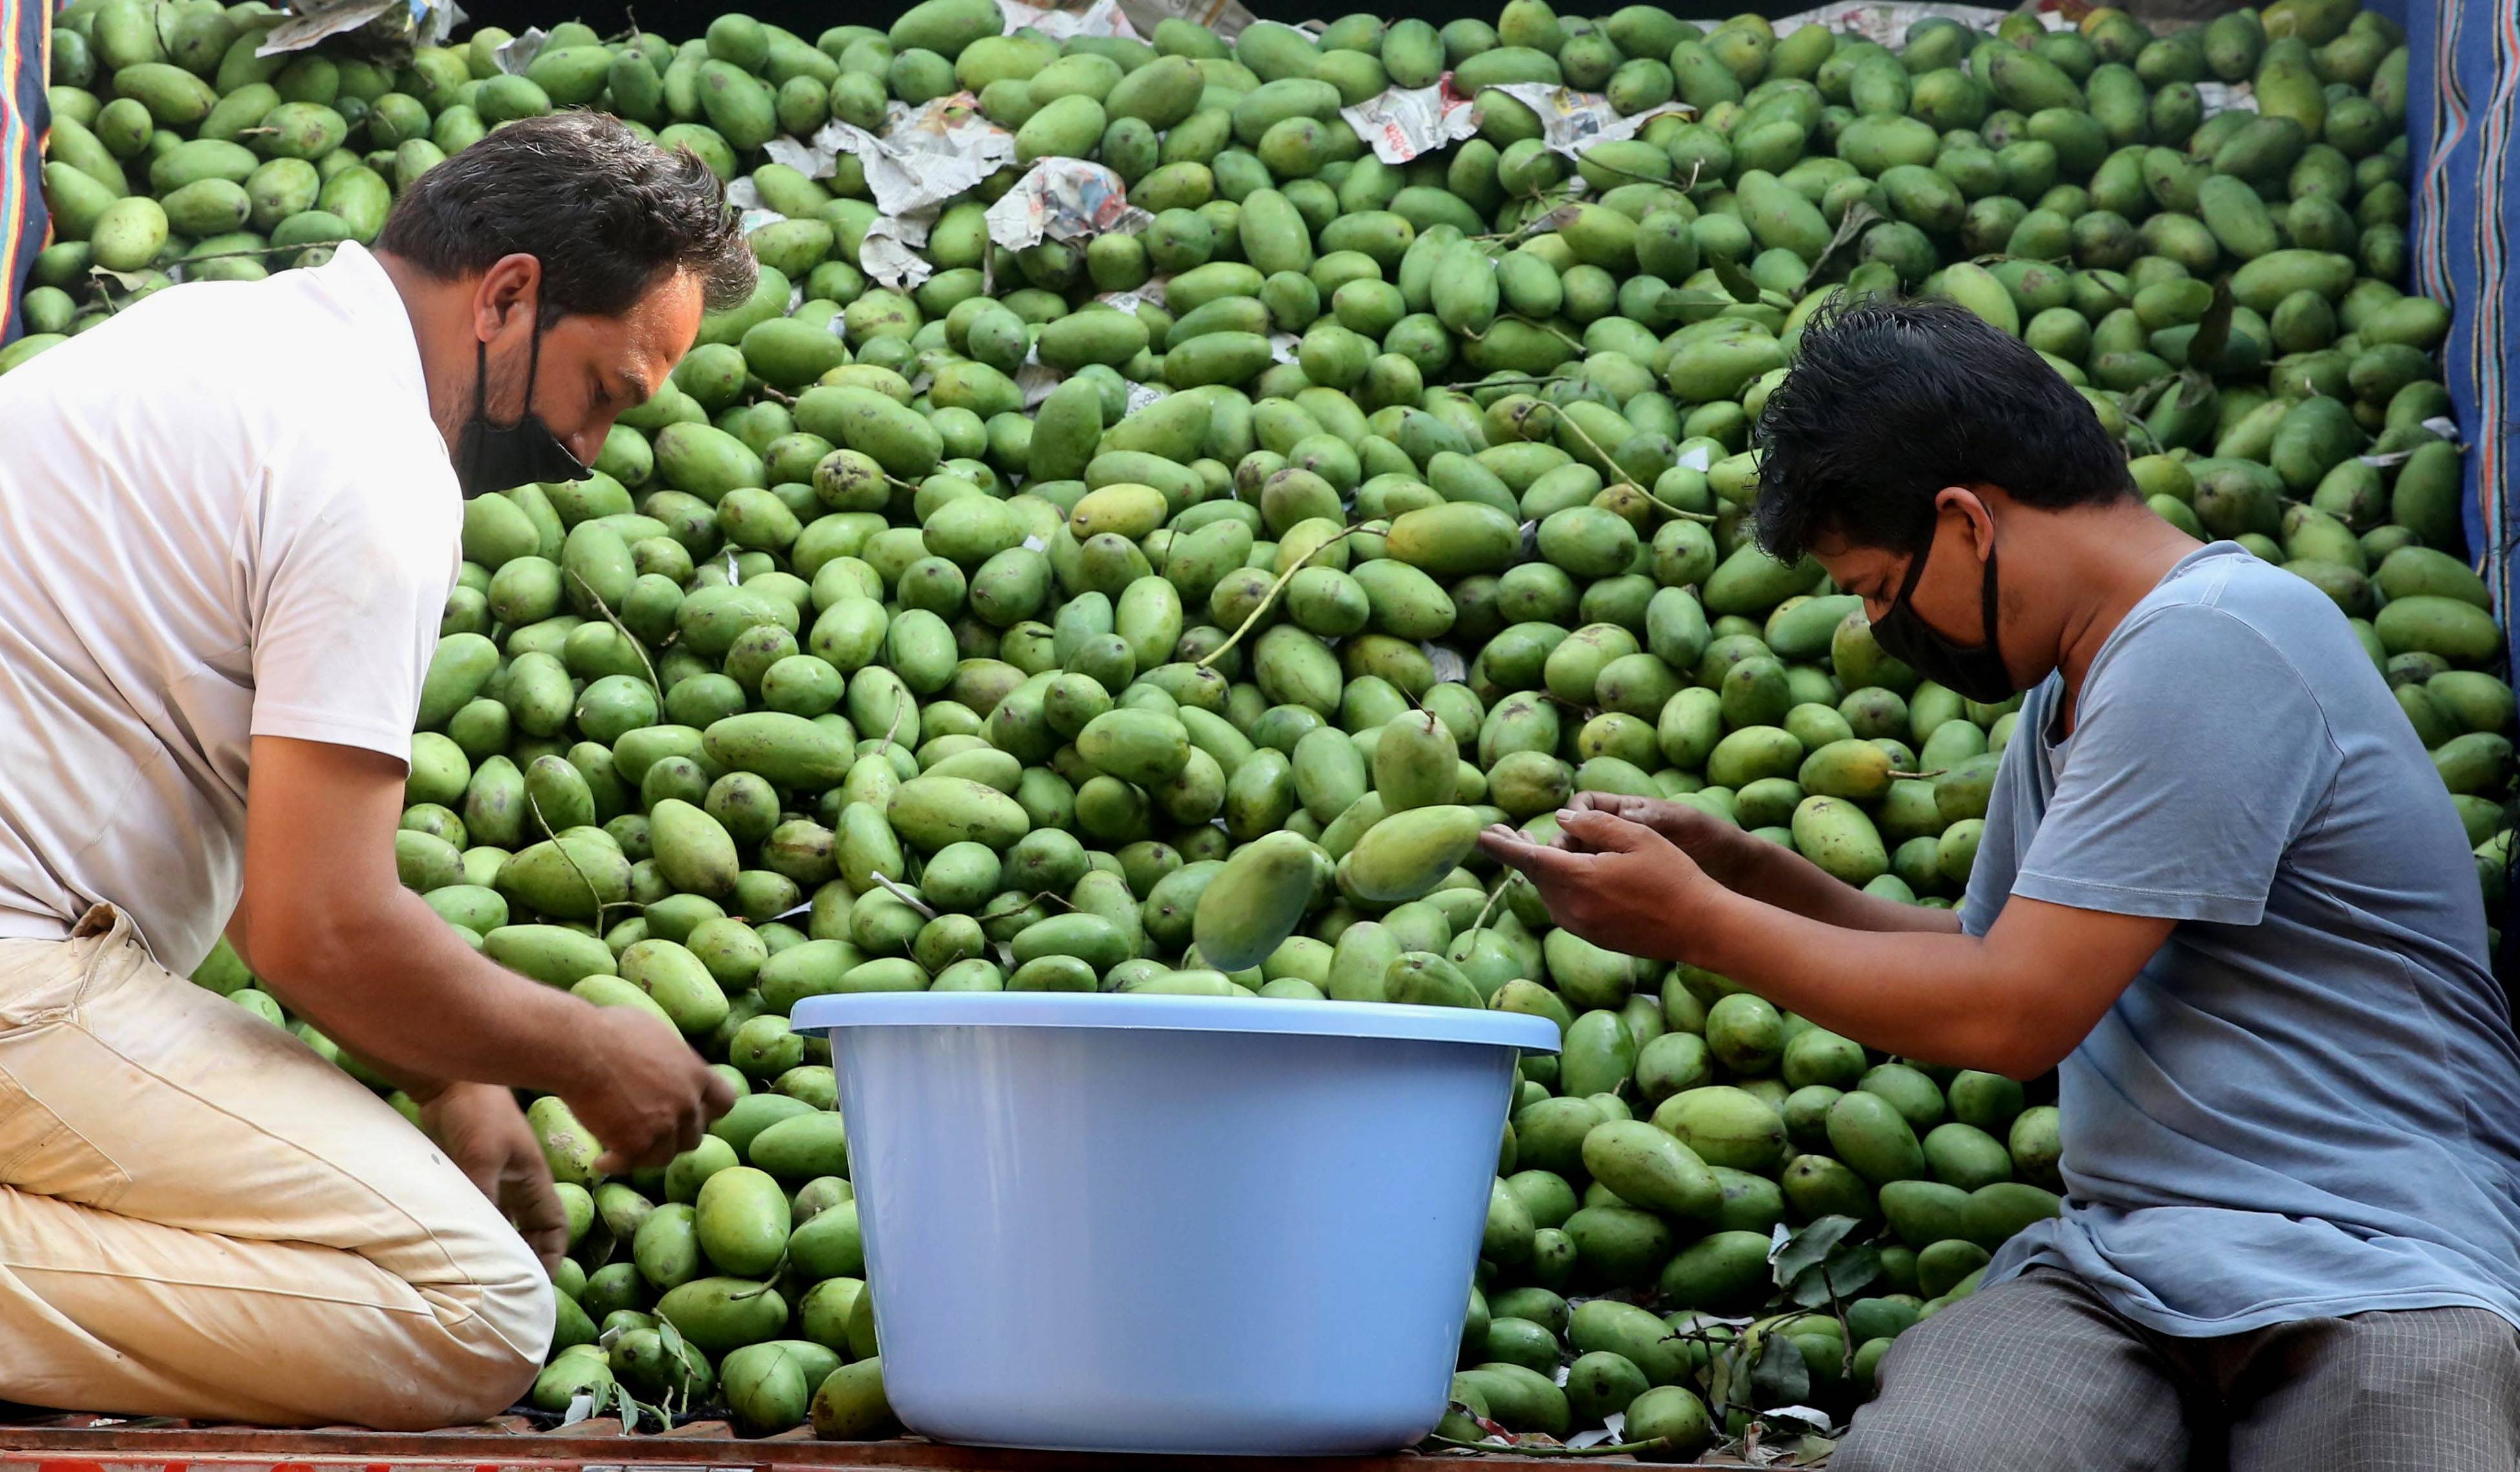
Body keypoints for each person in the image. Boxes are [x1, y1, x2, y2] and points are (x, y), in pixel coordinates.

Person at [1479, 298, 2520, 1471]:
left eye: (1877, 584)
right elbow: (1992, 953)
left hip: (2374, 1261)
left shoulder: (2217, 642)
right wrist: (1751, 871)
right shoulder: (2070, 691)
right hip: (2127, 1269)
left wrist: (1701, 924)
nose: (1877, 627)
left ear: (1966, 522)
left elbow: (2011, 1011)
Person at [0, 113, 750, 1428]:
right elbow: (316, 926)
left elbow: (255, 844)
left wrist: (451, 1072)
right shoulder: (378, 473)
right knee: (474, 1313)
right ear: (508, 296)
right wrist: (583, 1049)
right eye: (602, 394)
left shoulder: (214, 336)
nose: (591, 453)